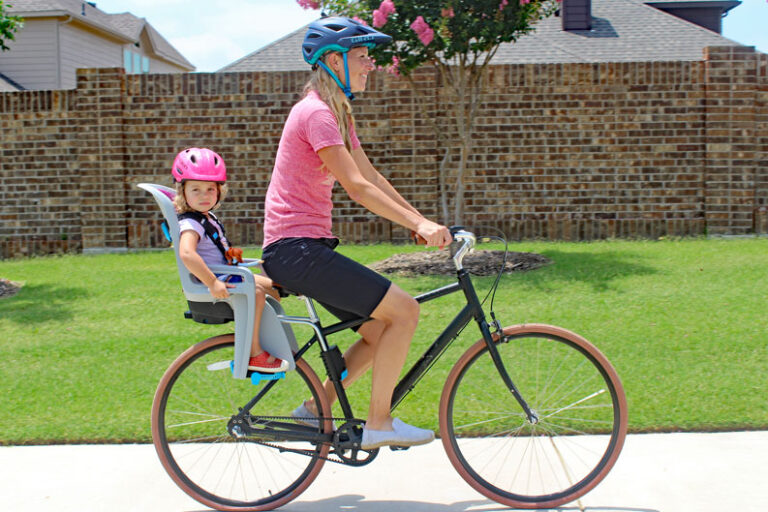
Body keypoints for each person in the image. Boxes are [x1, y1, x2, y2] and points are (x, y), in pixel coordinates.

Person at [260, 17, 453, 450]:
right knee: (404, 313)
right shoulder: (316, 114)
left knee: (379, 331)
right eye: (363, 57)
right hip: (297, 251)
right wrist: (417, 224)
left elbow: (371, 175)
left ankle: (315, 410)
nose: (371, 65)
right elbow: (357, 187)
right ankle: (379, 423)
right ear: (334, 60)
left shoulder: (336, 114)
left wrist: (420, 221)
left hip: (302, 251)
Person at [172, 147, 288, 373]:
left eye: (210, 189)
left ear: (219, 191)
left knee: (277, 287)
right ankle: (254, 353)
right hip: (219, 280)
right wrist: (212, 283)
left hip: (227, 274)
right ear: (182, 192)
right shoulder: (191, 223)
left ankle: (267, 338)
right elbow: (187, 253)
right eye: (195, 189)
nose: (204, 195)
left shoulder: (205, 217)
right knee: (255, 294)